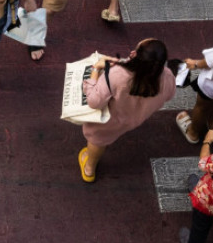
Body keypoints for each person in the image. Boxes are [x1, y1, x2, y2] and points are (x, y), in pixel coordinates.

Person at [76, 39, 177, 182]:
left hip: (110, 120)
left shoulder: (117, 75)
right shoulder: (166, 76)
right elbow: (170, 94)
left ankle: (89, 168)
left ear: (135, 55)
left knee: (97, 140)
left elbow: (94, 101)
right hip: (134, 118)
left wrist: (96, 70)